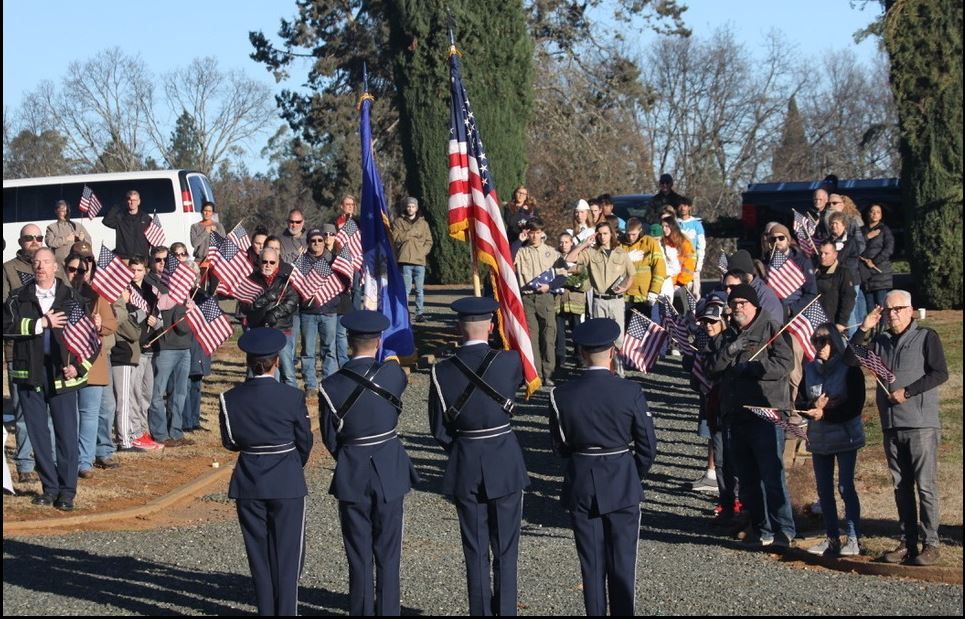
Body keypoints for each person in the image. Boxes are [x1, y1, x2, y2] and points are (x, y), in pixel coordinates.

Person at [548, 318, 657, 616]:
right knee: (623, 564)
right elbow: (647, 445)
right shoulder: (629, 391)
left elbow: (560, 445)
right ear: (612, 351)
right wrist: (633, 473)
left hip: (582, 481)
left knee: (591, 564)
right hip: (621, 479)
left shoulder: (561, 394)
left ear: (582, 352)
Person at [428, 297, 529, 616]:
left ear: (459, 328)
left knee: (475, 552)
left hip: (466, 463)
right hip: (504, 462)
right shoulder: (511, 361)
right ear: (490, 326)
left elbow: (439, 429)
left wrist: (464, 448)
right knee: (506, 552)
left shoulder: (441, 371)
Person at [319, 310, 419, 616]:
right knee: (388, 553)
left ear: (349, 341)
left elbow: (329, 438)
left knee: (358, 553)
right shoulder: (393, 375)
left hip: (353, 468)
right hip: (388, 466)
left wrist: (350, 456)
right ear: (378, 342)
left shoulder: (330, 385)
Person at [848, 292, 948, 566]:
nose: (892, 314)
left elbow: (940, 373)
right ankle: (908, 542)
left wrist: (909, 392)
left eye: (898, 309)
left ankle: (931, 543)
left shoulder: (926, 337)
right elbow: (850, 359)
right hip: (891, 424)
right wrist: (865, 327)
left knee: (925, 486)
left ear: (910, 310)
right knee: (900, 486)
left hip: (920, 424)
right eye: (888, 310)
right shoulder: (880, 342)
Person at [220, 327, 313, 616]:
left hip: (249, 480)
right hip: (286, 479)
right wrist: (290, 462)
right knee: (287, 559)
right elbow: (304, 442)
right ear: (277, 361)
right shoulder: (292, 397)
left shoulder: (230, 398)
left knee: (258, 558)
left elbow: (231, 442)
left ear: (248, 362)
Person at [2, 248, 94, 511]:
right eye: (36, 262)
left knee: (66, 432)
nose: (40, 266)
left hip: (61, 373)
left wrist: (78, 367)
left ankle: (67, 491)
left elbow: (90, 341)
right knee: (38, 433)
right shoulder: (19, 297)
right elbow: (6, 326)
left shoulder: (71, 298)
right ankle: (49, 487)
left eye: (46, 262)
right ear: (32, 267)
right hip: (29, 373)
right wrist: (40, 323)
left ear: (56, 267)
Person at [706, 283, 796, 549]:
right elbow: (712, 367)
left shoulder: (771, 328)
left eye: (742, 303)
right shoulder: (727, 335)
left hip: (765, 412)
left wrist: (753, 368)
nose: (737, 309)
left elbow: (784, 363)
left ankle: (784, 529)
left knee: (772, 474)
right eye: (733, 304)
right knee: (746, 480)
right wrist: (731, 350)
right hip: (735, 414)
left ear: (754, 305)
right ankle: (760, 528)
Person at [797, 324, 866, 557]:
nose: (819, 345)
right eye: (815, 340)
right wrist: (812, 407)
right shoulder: (809, 369)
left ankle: (854, 538)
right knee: (824, 490)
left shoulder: (850, 367)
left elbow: (855, 405)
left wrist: (826, 413)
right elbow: (799, 402)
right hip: (819, 438)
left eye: (824, 341)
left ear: (835, 342)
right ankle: (832, 538)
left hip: (846, 435)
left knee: (845, 486)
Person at [64, 247, 119, 478]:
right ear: (65, 269)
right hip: (65, 363)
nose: (77, 273)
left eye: (82, 270)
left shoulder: (97, 296)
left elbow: (111, 324)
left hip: (93, 363)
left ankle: (84, 463)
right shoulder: (56, 295)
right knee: (70, 416)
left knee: (88, 415)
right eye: (72, 269)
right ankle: (69, 459)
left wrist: (99, 324)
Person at [3, 224, 47, 483]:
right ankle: (26, 464)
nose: (34, 241)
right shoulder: (9, 269)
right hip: (19, 348)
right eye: (29, 238)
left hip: (49, 347)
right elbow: (6, 312)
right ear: (20, 241)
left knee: (49, 408)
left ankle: (47, 460)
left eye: (39, 238)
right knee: (23, 410)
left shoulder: (53, 266)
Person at [565, 222, 635, 376]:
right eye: (600, 233)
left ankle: (618, 369)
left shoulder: (621, 253)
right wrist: (584, 244)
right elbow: (570, 258)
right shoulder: (591, 253)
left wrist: (625, 286)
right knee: (601, 337)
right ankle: (604, 371)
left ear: (611, 234)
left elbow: (631, 274)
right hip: (599, 300)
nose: (603, 237)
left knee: (618, 338)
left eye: (605, 233)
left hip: (616, 300)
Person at [242, 247, 300, 387]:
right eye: (265, 261)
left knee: (288, 372)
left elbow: (292, 301)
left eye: (272, 262)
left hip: (281, 330)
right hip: (259, 330)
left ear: (278, 262)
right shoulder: (251, 280)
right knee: (256, 372)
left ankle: (290, 403)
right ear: (259, 261)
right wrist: (264, 299)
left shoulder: (285, 280)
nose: (268, 265)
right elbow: (245, 305)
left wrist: (275, 314)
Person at [514, 218, 562, 384]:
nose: (534, 236)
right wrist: (517, 242)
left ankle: (549, 373)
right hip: (527, 298)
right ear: (526, 233)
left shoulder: (551, 252)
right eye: (531, 232)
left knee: (548, 335)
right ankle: (536, 374)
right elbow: (506, 260)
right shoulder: (521, 252)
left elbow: (563, 275)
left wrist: (550, 286)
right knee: (532, 338)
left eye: (537, 232)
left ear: (542, 233)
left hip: (545, 298)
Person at [392, 196, 434, 322]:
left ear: (417, 208)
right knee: (405, 290)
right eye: (409, 206)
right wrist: (411, 233)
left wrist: (423, 252)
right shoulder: (398, 222)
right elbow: (396, 238)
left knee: (419, 290)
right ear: (406, 207)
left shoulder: (423, 224)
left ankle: (419, 314)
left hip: (420, 262)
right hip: (405, 261)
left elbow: (429, 241)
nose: (410, 208)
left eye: (413, 206)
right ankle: (404, 314)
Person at [554, 232, 587, 371]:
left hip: (575, 299)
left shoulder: (580, 257)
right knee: (559, 331)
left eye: (566, 242)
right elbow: (553, 274)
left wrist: (572, 279)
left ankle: (579, 356)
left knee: (577, 329)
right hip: (559, 300)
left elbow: (583, 274)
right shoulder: (555, 257)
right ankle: (560, 357)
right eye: (561, 242)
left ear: (571, 243)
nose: (563, 245)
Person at [827, 211, 865, 333]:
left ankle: (853, 340)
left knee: (849, 311)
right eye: (832, 224)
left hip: (851, 280)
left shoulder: (851, 241)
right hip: (835, 281)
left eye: (837, 224)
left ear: (844, 225)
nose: (834, 226)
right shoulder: (828, 241)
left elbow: (840, 258)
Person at [621, 217, 666, 319]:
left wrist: (654, 291)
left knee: (643, 330)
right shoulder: (620, 244)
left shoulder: (649, 243)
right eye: (628, 234)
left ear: (640, 231)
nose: (630, 237)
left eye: (634, 234)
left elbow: (659, 268)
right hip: (624, 295)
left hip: (644, 297)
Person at [724, 250, 784, 324]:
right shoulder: (737, 292)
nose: (728, 291)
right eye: (725, 287)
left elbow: (769, 328)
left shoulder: (766, 297)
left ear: (746, 276)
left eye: (732, 286)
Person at [858, 204, 894, 313]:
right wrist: (867, 237)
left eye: (878, 212)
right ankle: (873, 329)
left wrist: (874, 261)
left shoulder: (885, 230)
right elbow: (855, 246)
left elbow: (889, 249)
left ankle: (882, 328)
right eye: (872, 211)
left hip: (880, 272)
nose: (875, 214)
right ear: (868, 214)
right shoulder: (861, 230)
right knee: (870, 307)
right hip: (865, 273)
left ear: (881, 215)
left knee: (881, 305)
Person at [814, 241, 856, 333]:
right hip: (814, 322)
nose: (822, 256)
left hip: (834, 324)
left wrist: (842, 322)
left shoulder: (843, 273)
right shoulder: (813, 271)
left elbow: (848, 299)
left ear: (835, 255)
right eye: (821, 253)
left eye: (826, 253)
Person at [660, 214, 697, 312]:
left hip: (680, 285)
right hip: (664, 283)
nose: (664, 229)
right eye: (663, 226)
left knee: (681, 312)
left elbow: (689, 265)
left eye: (667, 226)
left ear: (673, 227)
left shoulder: (684, 243)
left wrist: (680, 283)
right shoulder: (661, 242)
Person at [102, 190, 154, 259]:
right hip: (124, 258)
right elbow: (106, 221)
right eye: (130, 200)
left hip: (142, 258)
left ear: (139, 202)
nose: (132, 202)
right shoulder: (120, 218)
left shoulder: (146, 218)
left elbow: (153, 239)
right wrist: (118, 205)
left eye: (135, 200)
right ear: (127, 201)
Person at [676, 196, 705, 295]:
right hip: (678, 262)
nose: (683, 208)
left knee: (695, 291)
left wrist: (699, 263)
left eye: (685, 205)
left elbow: (701, 244)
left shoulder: (696, 224)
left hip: (693, 262)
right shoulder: (675, 224)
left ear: (689, 207)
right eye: (680, 205)